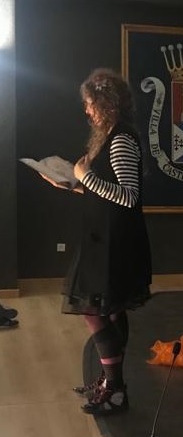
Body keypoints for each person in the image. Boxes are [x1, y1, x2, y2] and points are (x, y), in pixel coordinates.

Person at [38, 68, 152, 415]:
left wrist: (85, 176)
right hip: (103, 237)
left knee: (95, 310)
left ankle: (116, 390)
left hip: (115, 242)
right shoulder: (110, 135)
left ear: (107, 102)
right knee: (110, 308)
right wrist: (73, 184)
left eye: (90, 103)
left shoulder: (121, 139)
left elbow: (128, 196)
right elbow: (106, 191)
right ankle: (110, 381)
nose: (87, 110)